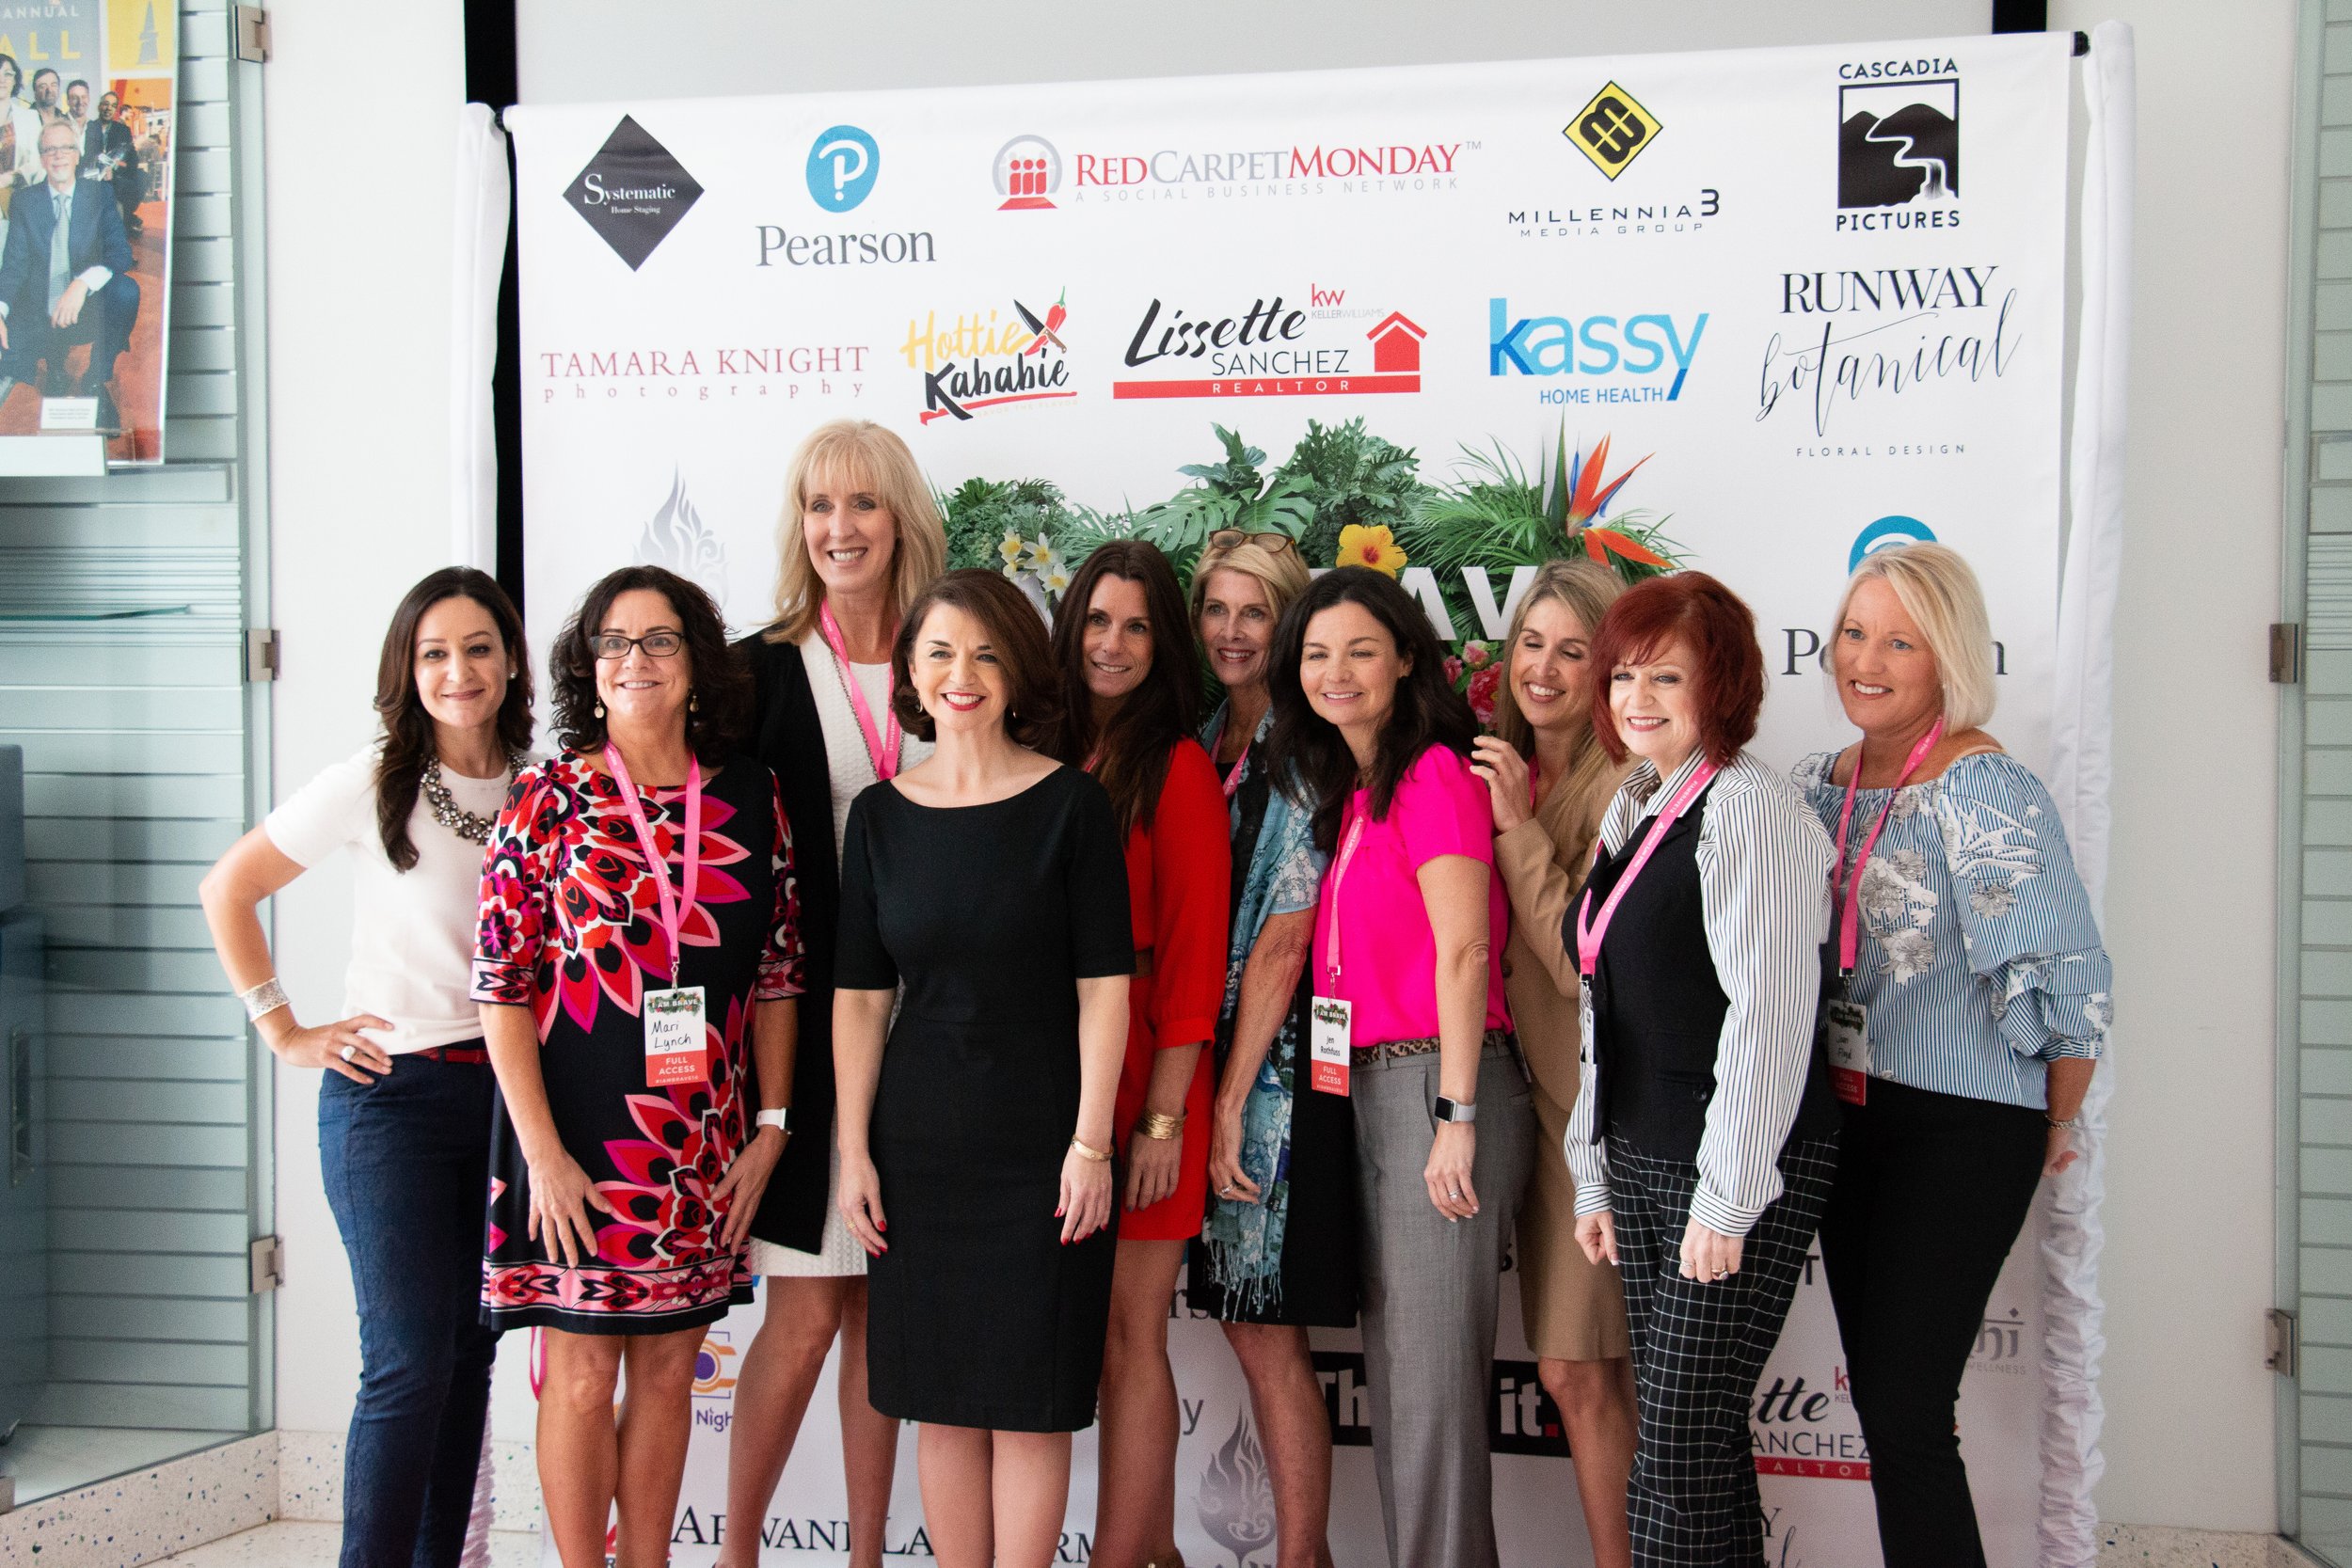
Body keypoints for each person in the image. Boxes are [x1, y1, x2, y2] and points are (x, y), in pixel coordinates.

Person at [198, 567, 531, 1568]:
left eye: (477, 647)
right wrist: (285, 1027)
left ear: (509, 661)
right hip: (390, 1099)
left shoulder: (545, 783)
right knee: (408, 1359)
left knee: (469, 1353)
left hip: (507, 1101)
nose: (457, 670)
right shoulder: (373, 775)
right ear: (407, 668)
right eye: (433, 652)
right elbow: (228, 887)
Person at [472, 565, 803, 1568]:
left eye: (658, 640)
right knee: (578, 1375)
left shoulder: (751, 793)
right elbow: (500, 986)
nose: (634, 660)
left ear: (697, 662)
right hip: (573, 1143)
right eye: (614, 642)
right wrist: (543, 1156)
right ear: (589, 665)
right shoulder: (548, 796)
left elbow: (782, 973)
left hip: (700, 1143)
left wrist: (772, 1125)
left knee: (668, 1374)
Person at [1792, 543, 2109, 1567]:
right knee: (1888, 1410)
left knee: (1904, 1403)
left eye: (1899, 640)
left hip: (1964, 1125)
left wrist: (2056, 1121)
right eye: (1852, 632)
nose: (1865, 658)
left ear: (1947, 659)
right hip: (1847, 1116)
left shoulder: (1985, 790)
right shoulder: (1813, 785)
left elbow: (2071, 982)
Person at [833, 568, 1132, 1568]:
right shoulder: (877, 817)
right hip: (919, 1151)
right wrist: (851, 1151)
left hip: (1046, 1144)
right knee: (943, 1406)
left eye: (986, 653)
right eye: (939, 652)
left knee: (1032, 1407)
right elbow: (862, 997)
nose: (962, 674)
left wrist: (1092, 1144)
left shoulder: (1071, 806)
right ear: (910, 673)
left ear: (1017, 673)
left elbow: (1104, 988)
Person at [1564, 572, 1840, 1566]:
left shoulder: (1750, 810)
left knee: (1673, 1455)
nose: (1637, 696)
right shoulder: (1633, 801)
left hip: (1729, 1163)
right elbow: (1603, 1003)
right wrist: (1592, 1165)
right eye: (1623, 674)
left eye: (1665, 675)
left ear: (1719, 684)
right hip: (1643, 1154)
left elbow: (1769, 1014)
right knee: (1700, 1445)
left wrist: (1726, 1199)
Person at [1265, 566, 1534, 1568]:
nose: (1336, 671)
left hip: (1437, 1086)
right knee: (1403, 1384)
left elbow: (1464, 950)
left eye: (1360, 649)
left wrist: (1454, 1112)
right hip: (1368, 1091)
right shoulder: (1358, 785)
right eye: (1317, 653)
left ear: (1407, 658)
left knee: (1429, 1399)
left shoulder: (1429, 773)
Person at [722, 420, 944, 1568]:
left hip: (939, 1030)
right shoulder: (755, 669)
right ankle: (739, 1550)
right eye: (818, 506)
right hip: (804, 1031)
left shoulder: (950, 657)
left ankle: (865, 1554)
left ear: (899, 516)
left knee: (879, 1312)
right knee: (806, 1306)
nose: (838, 529)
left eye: (861, 504)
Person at [1043, 541, 1230, 1568]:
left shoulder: (1181, 765)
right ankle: (1150, 1548)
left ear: (1163, 645)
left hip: (1152, 1072)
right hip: (1059, 1069)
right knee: (1086, 1331)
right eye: (1097, 620)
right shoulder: (1046, 745)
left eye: (1137, 625)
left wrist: (1163, 1118)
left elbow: (1199, 959)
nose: (1111, 644)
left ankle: (1121, 1554)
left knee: (1130, 1332)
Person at [1465, 560, 1639, 1568]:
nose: (1543, 666)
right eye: (1530, 642)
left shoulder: (1624, 782)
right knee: (1579, 1366)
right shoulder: (1490, 761)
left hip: (1595, 1116)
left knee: (1582, 1369)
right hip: (1520, 1103)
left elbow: (1584, 958)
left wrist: (1518, 828)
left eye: (1574, 650)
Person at [1188, 531, 1355, 1568]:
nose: (1232, 631)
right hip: (1205, 1056)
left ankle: (1301, 1557)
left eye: (1256, 612)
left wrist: (1228, 1096)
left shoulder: (1303, 745)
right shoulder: (1206, 734)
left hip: (1275, 1079)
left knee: (1263, 1325)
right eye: (1216, 609)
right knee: (1247, 1326)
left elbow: (1286, 935)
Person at [0, 120, 140, 432]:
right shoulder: (25, 201)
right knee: (7, 358)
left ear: (77, 155)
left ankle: (94, 381)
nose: (58, 155)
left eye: (65, 147)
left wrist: (82, 283)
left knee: (126, 291)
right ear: (41, 158)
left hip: (85, 308)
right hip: (39, 312)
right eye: (50, 149)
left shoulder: (99, 194)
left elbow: (120, 253)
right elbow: (14, 264)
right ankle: (54, 367)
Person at [84, 92, 140, 234]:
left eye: (113, 106)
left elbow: (132, 160)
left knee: (137, 181)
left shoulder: (122, 130)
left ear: (116, 110)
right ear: (99, 106)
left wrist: (114, 170)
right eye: (106, 104)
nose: (109, 109)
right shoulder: (88, 127)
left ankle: (123, 230)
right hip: (90, 180)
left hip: (113, 181)